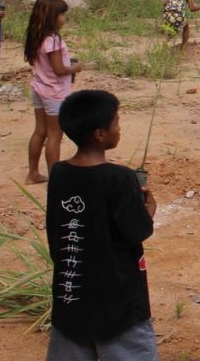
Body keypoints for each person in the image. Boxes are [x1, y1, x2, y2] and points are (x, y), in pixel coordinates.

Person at [45, 90, 158, 360]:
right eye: (116, 122)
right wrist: (149, 210)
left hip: (70, 300)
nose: (119, 128)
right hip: (118, 306)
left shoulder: (59, 173)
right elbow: (137, 231)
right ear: (100, 134)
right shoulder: (121, 178)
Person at [24, 0, 82, 184]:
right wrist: (75, 68)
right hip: (54, 92)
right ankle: (56, 180)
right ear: (52, 17)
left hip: (39, 87)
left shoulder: (36, 36)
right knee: (55, 136)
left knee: (39, 132)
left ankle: (33, 173)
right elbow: (59, 70)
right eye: (62, 15)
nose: (64, 19)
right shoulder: (53, 40)